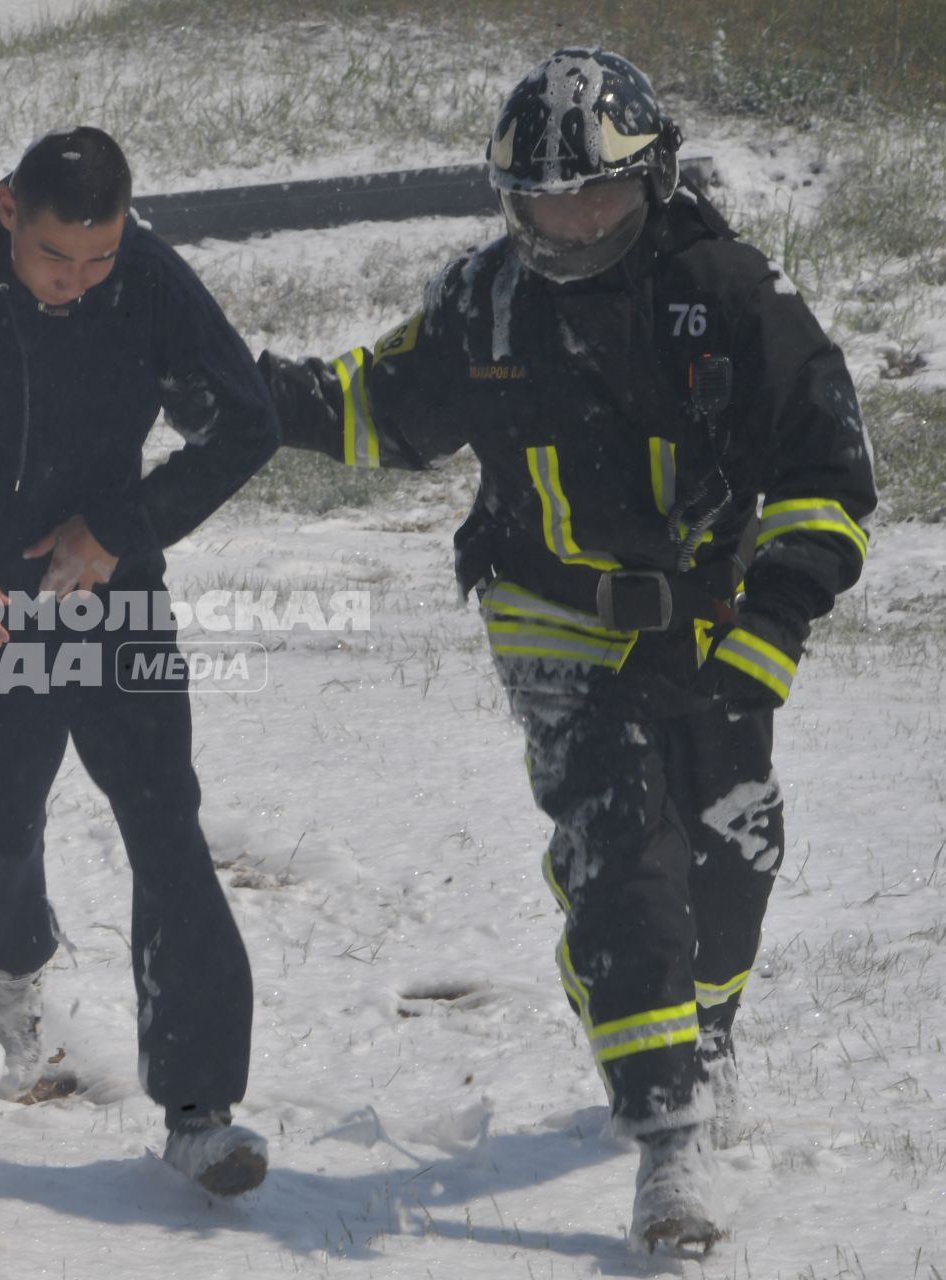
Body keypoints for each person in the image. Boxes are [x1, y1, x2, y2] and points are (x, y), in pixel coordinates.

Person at [258, 49, 875, 1249]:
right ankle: (666, 1141)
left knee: (733, 854)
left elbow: (827, 469)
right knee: (622, 861)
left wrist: (774, 620)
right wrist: (241, 394)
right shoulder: (482, 301)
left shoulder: (734, 291)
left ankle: (709, 1029)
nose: (568, 221)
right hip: (548, 614)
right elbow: (374, 405)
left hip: (712, 620)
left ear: (652, 182)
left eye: (593, 196)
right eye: (540, 200)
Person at [0, 127, 280, 1195]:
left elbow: (246, 423)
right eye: (54, 258)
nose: (76, 282)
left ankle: (202, 1106)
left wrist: (121, 526)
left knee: (165, 814)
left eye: (98, 260)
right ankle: (13, 969)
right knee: (5, 798)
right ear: (7, 213)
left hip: (108, 590)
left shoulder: (149, 282)